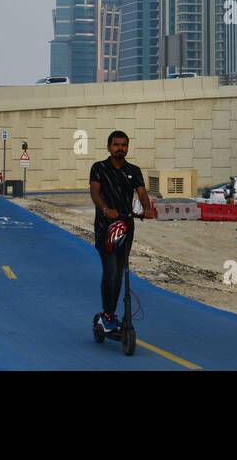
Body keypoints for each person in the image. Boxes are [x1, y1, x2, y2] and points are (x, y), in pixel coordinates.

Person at [88, 131, 157, 336]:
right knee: (110, 271)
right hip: (105, 227)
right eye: (116, 145)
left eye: (124, 145)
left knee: (120, 272)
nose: (120, 148)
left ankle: (111, 314)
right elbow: (94, 192)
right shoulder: (98, 168)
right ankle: (107, 315)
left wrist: (147, 209)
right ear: (109, 147)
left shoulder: (133, 170)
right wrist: (105, 209)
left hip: (126, 227)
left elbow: (142, 193)